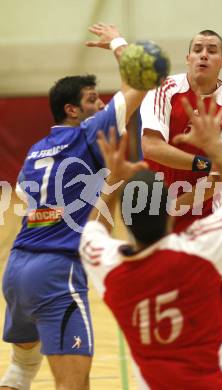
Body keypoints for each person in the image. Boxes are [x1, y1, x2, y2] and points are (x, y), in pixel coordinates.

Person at [0, 23, 149, 390]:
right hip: (57, 272)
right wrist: (118, 42)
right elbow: (139, 83)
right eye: (93, 100)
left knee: (20, 372)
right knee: (73, 385)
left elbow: (26, 195)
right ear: (72, 110)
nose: (101, 105)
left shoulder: (35, 151)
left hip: (17, 270)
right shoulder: (87, 134)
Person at [80, 96, 222, 389]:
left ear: (125, 221)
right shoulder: (198, 250)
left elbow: (92, 234)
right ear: (170, 212)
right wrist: (215, 149)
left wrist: (111, 180)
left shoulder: (111, 270)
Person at [141, 29, 222, 232]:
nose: (204, 54)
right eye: (197, 50)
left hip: (201, 215)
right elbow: (151, 147)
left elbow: (220, 177)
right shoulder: (164, 88)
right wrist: (210, 164)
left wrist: (172, 210)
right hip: (152, 207)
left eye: (212, 50)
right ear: (188, 58)